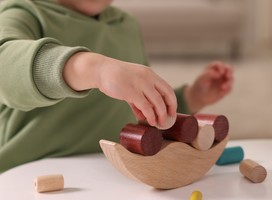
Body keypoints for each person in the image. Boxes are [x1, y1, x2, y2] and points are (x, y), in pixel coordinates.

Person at [0, 0, 233, 172]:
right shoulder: (24, 12)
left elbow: (140, 110)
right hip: (30, 174)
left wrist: (191, 97)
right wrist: (95, 69)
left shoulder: (125, 25)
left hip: (116, 172)